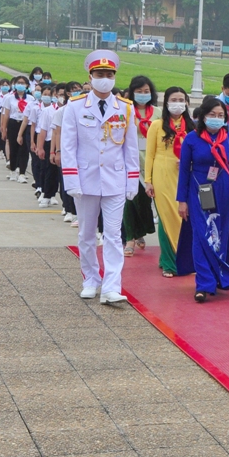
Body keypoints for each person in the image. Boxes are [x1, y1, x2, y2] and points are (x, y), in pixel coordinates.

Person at [61, 50, 138, 304]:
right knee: (86, 234)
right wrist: (71, 181)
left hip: (115, 180)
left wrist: (132, 180)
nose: (104, 78)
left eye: (109, 74)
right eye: (99, 74)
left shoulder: (125, 108)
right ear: (90, 76)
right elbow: (69, 146)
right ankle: (91, 280)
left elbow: (131, 148)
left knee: (114, 235)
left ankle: (111, 287)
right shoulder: (75, 106)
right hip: (85, 180)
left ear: (115, 77)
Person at [176, 98, 229, 302]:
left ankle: (216, 277)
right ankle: (203, 283)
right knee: (201, 234)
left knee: (219, 235)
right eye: (212, 115)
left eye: (220, 116)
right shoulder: (191, 139)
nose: (216, 119)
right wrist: (182, 200)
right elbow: (183, 171)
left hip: (223, 190)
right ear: (203, 117)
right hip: (199, 190)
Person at [145, 87, 194, 277]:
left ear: (187, 103)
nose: (178, 103)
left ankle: (182, 257)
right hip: (162, 176)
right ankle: (168, 263)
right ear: (166, 102)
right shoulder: (157, 125)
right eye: (174, 99)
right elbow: (150, 155)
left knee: (183, 218)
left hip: (184, 177)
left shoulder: (191, 126)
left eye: (181, 99)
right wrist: (148, 181)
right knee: (166, 218)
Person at [122, 76, 158, 256]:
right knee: (130, 200)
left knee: (144, 201)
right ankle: (130, 237)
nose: (143, 95)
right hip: (130, 161)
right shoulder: (126, 111)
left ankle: (140, 231)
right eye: (139, 92)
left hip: (152, 162)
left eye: (146, 92)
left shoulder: (158, 113)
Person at [52, 81, 82, 226]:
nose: (78, 91)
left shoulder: (83, 108)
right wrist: (57, 151)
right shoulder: (62, 111)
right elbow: (57, 132)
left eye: (79, 89)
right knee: (66, 180)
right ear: (68, 93)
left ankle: (77, 212)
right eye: (74, 90)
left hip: (81, 151)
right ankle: (68, 209)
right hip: (66, 150)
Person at [0, 75, 35, 183]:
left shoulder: (31, 99)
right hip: (13, 123)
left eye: (23, 83)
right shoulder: (9, 98)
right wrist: (4, 129)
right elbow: (6, 114)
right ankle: (13, 170)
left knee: (24, 149)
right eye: (18, 83)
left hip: (26, 125)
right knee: (13, 147)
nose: (20, 85)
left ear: (27, 85)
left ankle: (22, 173)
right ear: (15, 85)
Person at [33, 85, 59, 208]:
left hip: (63, 143)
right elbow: (42, 130)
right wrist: (40, 147)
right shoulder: (47, 111)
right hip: (49, 142)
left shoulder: (69, 109)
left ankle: (53, 194)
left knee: (59, 173)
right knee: (49, 170)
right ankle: (46, 194)